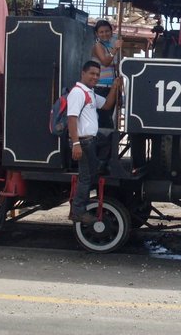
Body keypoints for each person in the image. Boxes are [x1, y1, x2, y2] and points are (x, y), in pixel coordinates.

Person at [67, 60, 121, 225]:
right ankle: (77, 211)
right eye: (92, 73)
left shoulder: (89, 92)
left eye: (97, 74)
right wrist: (75, 144)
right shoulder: (78, 93)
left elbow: (106, 105)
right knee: (85, 177)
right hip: (83, 142)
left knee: (110, 137)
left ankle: (100, 166)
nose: (95, 77)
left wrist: (114, 87)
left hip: (92, 139)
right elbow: (72, 118)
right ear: (83, 73)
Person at [91, 19, 123, 129]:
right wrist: (115, 49)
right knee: (103, 119)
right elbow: (105, 61)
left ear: (111, 31)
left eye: (107, 31)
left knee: (110, 119)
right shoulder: (98, 46)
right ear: (97, 34)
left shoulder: (111, 45)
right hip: (100, 87)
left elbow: (118, 68)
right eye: (101, 32)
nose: (105, 34)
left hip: (112, 88)